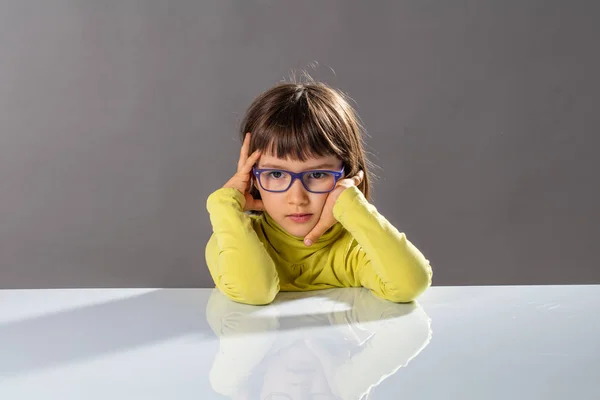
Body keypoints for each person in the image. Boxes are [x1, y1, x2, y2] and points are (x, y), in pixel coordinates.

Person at [205, 79, 432, 305]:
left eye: (316, 175)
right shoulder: (232, 239)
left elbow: (410, 284)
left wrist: (351, 205)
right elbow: (254, 291)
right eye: (276, 174)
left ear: (347, 174)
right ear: (253, 176)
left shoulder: (353, 249)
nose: (297, 198)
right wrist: (224, 204)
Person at [206, 287, 432, 399]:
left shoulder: (238, 335)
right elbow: (412, 328)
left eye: (283, 399)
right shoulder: (352, 318)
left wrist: (230, 385)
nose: (300, 390)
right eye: (316, 399)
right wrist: (352, 381)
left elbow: (231, 303)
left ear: (260, 386)